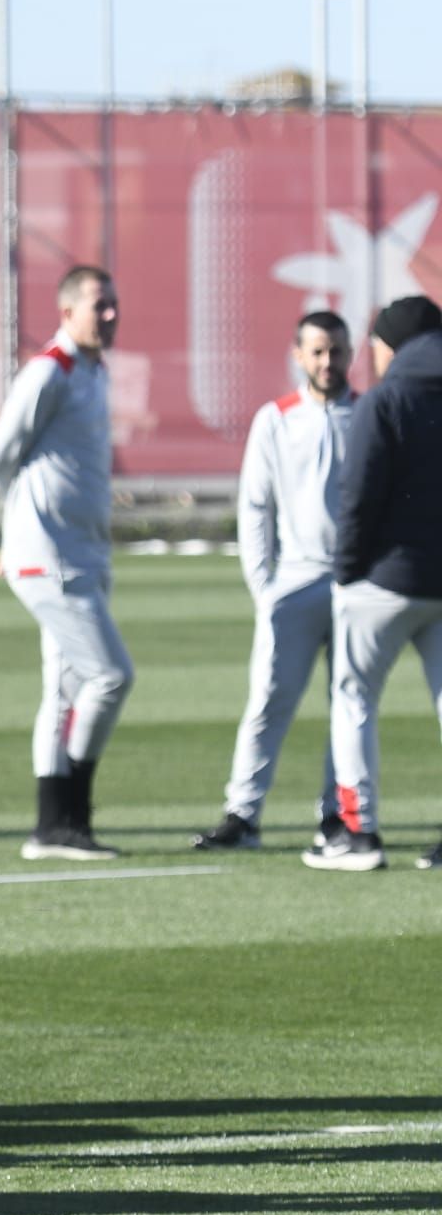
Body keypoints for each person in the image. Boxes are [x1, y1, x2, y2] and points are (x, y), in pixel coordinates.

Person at [194, 311, 356, 852]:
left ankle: (338, 815)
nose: (327, 362)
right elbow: (255, 507)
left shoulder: (368, 414)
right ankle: (242, 814)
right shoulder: (277, 419)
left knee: (349, 704)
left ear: (350, 353)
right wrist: (263, 586)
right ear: (298, 355)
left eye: (336, 350)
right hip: (294, 583)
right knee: (268, 699)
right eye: (318, 351)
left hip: (354, 585)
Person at [0, 265, 133, 862]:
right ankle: (72, 809)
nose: (111, 314)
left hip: (84, 551)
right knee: (110, 676)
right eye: (99, 305)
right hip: (48, 555)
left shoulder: (94, 372)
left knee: (66, 689)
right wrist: (16, 528)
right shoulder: (50, 370)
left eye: (114, 303)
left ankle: (54, 827)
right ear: (68, 311)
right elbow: (1, 453)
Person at [319, 295, 442, 872]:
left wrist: (346, 571)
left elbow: (359, 496)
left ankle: (358, 834)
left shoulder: (385, 399)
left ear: (390, 345)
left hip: (385, 584)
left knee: (353, 701)